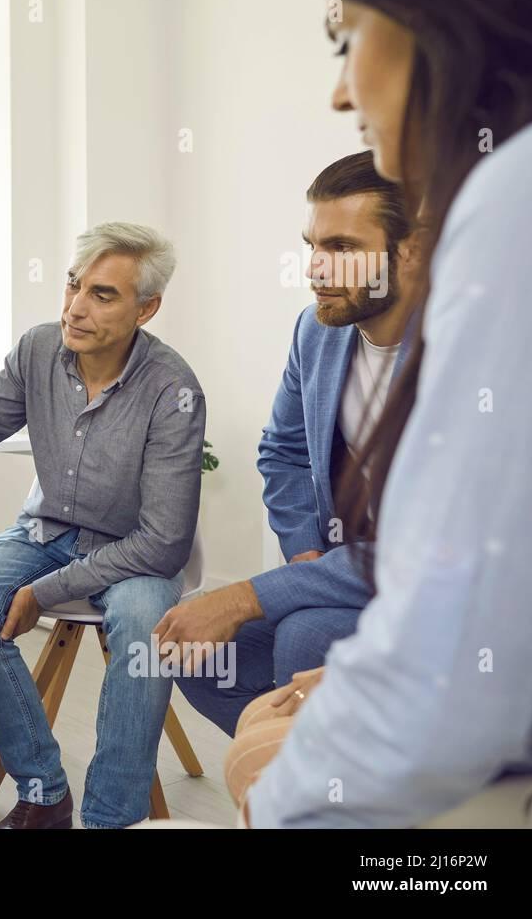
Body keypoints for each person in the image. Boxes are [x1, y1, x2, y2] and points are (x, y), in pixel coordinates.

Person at [230, 0, 532, 827]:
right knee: (237, 657)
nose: (340, 89)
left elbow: (459, 631)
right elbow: (283, 452)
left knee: (284, 677)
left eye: (346, 39)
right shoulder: (315, 333)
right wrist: (299, 562)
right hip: (382, 601)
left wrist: (278, 801)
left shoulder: (512, 203)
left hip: (432, 651)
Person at [0, 222, 206, 829]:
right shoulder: (38, 349)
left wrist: (43, 593)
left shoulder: (174, 390)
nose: (76, 307)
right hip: (44, 530)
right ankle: (44, 794)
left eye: (103, 295)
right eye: (73, 285)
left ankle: (111, 820)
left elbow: (164, 540)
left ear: (148, 308)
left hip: (134, 551)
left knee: (145, 626)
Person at [164, 151, 417, 736]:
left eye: (344, 249)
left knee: (305, 633)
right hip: (341, 568)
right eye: (313, 246)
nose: (316, 270)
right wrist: (305, 548)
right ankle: (296, 786)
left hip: (439, 597)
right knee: (199, 657)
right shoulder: (315, 331)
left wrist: (245, 596)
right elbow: (283, 450)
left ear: (408, 252)